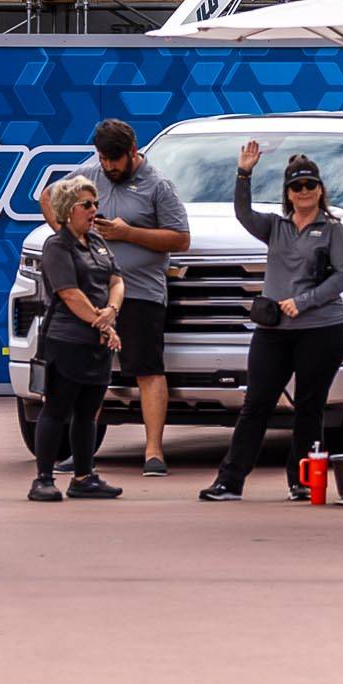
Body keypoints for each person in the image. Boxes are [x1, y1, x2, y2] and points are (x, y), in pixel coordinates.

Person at [200, 143, 343, 503]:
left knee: (309, 405)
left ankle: (301, 480)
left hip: (321, 329)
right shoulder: (275, 226)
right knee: (257, 403)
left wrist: (304, 301)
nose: (304, 192)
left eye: (310, 186)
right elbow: (242, 213)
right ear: (287, 193)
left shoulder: (333, 229)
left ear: (320, 189)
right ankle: (230, 481)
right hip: (274, 330)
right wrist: (244, 172)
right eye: (297, 187)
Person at [71, 119, 191, 475]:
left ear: (133, 151)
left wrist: (128, 233)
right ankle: (82, 453)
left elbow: (180, 240)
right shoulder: (88, 174)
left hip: (140, 291)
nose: (108, 167)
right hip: (94, 293)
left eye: (115, 160)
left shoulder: (158, 186)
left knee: (148, 370)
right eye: (104, 159)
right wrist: (69, 234)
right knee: (90, 372)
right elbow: (50, 197)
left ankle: (153, 452)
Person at [27, 176, 126, 502]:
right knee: (56, 409)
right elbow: (69, 294)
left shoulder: (97, 241)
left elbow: (116, 280)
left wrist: (112, 309)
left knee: (88, 412)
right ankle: (43, 479)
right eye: (87, 205)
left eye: (95, 204)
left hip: (96, 344)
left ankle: (84, 477)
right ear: (69, 210)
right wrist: (105, 325)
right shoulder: (56, 246)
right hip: (66, 341)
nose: (94, 210)